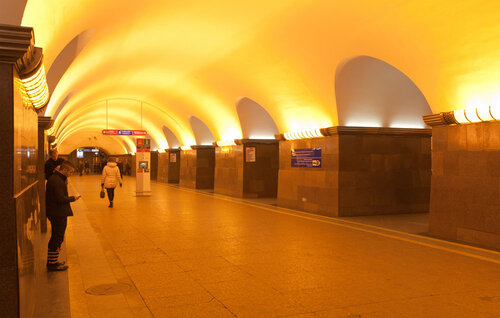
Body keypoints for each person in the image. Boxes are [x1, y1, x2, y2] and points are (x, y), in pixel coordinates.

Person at [46, 161, 81, 271]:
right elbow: (60, 198)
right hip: (58, 213)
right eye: (70, 172)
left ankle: (53, 261)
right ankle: (52, 263)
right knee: (57, 237)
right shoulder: (57, 181)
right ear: (64, 170)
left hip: (55, 212)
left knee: (56, 236)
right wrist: (73, 198)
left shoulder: (56, 178)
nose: (71, 174)